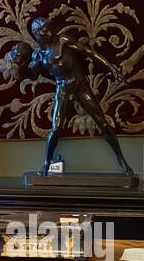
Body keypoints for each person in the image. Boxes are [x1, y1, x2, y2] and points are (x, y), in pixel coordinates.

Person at [8, 17, 135, 176]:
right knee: (56, 129)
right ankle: (46, 165)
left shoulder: (62, 40)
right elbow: (33, 75)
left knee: (102, 123)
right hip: (62, 88)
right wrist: (19, 70)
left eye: (49, 28)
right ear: (36, 34)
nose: (49, 32)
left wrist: (113, 70)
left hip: (80, 84)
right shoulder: (38, 55)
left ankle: (122, 162)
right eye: (44, 31)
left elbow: (90, 53)